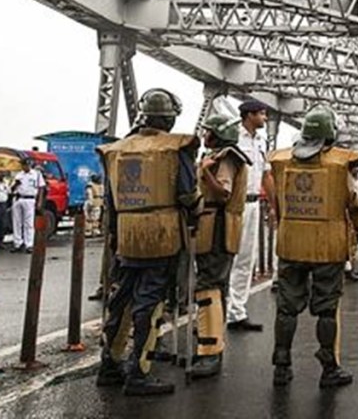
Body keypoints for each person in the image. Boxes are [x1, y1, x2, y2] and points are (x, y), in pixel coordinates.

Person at [95, 89, 200, 396]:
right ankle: (139, 372)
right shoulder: (175, 147)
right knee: (150, 303)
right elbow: (187, 193)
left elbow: (111, 200)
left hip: (127, 234)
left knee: (122, 300)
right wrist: (196, 209)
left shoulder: (116, 150)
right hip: (161, 234)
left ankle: (109, 364)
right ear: (169, 118)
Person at [267, 106, 358, 388]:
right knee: (326, 307)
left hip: (291, 242)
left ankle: (281, 365)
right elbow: (355, 203)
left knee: (286, 307)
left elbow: (278, 200)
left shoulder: (281, 161)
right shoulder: (338, 165)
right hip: (327, 246)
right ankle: (328, 368)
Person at [188, 113, 250, 379]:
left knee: (208, 286)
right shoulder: (226, 155)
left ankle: (209, 352)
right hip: (218, 227)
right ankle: (212, 341)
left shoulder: (226, 158)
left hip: (217, 227)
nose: (205, 135)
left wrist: (203, 172)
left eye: (208, 131)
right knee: (216, 286)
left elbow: (223, 193)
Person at [227, 100, 274, 332]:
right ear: (249, 115)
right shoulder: (232, 136)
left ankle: (237, 311)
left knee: (247, 258)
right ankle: (220, 311)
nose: (265, 118)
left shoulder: (261, 140)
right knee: (229, 256)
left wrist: (275, 205)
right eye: (262, 114)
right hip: (234, 203)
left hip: (254, 202)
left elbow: (266, 176)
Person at [10, 158, 44, 253]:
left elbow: (41, 188)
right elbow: (11, 189)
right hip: (18, 198)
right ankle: (17, 243)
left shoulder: (36, 174)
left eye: (25, 165)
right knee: (16, 222)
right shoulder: (18, 175)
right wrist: (16, 184)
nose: (24, 167)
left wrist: (39, 201)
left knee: (28, 223)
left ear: (29, 165)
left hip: (30, 199)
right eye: (22, 165)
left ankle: (29, 244)